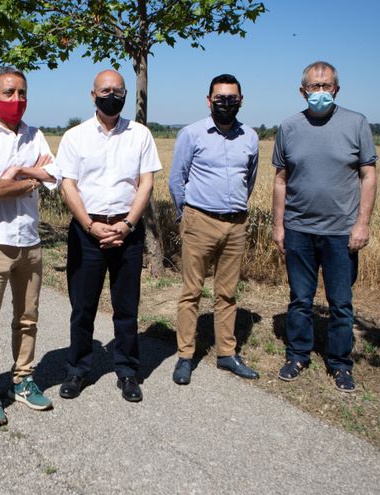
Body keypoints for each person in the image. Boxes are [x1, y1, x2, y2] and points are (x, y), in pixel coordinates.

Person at [271, 61, 378, 393]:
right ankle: (298, 354)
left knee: (341, 303)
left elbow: (369, 175)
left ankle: (340, 364)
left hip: (341, 232)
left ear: (337, 89)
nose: (320, 92)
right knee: (300, 299)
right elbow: (280, 180)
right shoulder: (289, 127)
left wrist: (362, 224)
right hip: (299, 228)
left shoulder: (356, 124)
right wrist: (279, 226)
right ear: (302, 91)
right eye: (314, 87)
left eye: (326, 86)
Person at [0, 66, 61, 426]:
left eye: (22, 93)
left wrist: (18, 173)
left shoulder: (35, 134)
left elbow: (55, 175)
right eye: (9, 93)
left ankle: (22, 379)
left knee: (28, 317)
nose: (17, 100)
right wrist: (30, 175)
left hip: (30, 242)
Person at [57, 69, 162, 403]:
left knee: (126, 307)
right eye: (105, 90)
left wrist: (128, 224)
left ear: (126, 94)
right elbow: (68, 184)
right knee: (82, 307)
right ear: (92, 95)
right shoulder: (75, 137)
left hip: (127, 231)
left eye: (118, 90)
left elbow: (146, 181)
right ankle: (77, 369)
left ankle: (128, 371)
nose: (111, 95)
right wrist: (89, 225)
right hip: (87, 233)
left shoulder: (140, 135)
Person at [168, 74, 260, 385]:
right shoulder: (191, 134)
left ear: (241, 101)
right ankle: (185, 356)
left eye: (231, 99)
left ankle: (226, 354)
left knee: (228, 293)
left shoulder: (251, 137)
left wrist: (234, 208)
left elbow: (249, 179)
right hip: (199, 221)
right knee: (191, 292)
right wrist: (187, 216)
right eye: (219, 99)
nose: (225, 104)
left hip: (236, 224)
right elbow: (176, 181)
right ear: (209, 101)